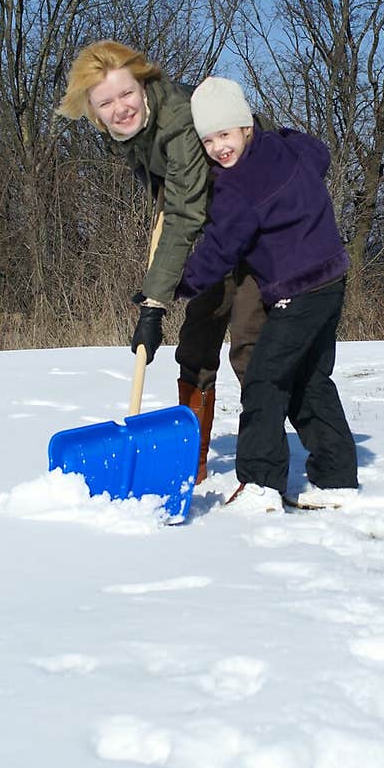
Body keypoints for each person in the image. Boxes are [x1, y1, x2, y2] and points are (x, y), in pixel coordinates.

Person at [56, 42, 266, 482]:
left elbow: (184, 212)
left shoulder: (180, 121)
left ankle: (263, 468)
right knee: (195, 347)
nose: (120, 108)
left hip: (260, 230)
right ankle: (195, 464)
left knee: (250, 347)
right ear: (93, 111)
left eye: (125, 94)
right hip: (218, 236)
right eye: (105, 102)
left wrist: (155, 302)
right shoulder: (132, 133)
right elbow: (175, 200)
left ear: (144, 83)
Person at [177, 75, 359, 512]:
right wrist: (285, 134)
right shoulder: (288, 149)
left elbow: (222, 248)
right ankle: (336, 477)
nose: (219, 148)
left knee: (263, 378)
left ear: (245, 127)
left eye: (225, 134)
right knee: (309, 380)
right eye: (208, 140)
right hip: (332, 280)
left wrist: (182, 284)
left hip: (297, 292)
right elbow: (320, 154)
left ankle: (259, 484)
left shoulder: (237, 186)